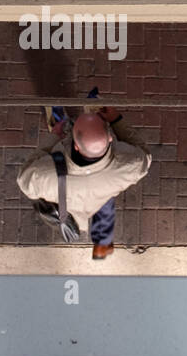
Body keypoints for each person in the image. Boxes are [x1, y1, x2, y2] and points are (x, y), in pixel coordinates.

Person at [16, 104, 152, 260]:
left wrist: (53, 137)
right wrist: (116, 120)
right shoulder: (130, 164)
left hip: (68, 210)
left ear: (75, 145)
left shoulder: (42, 175)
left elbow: (24, 181)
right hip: (95, 199)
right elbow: (144, 154)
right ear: (109, 138)